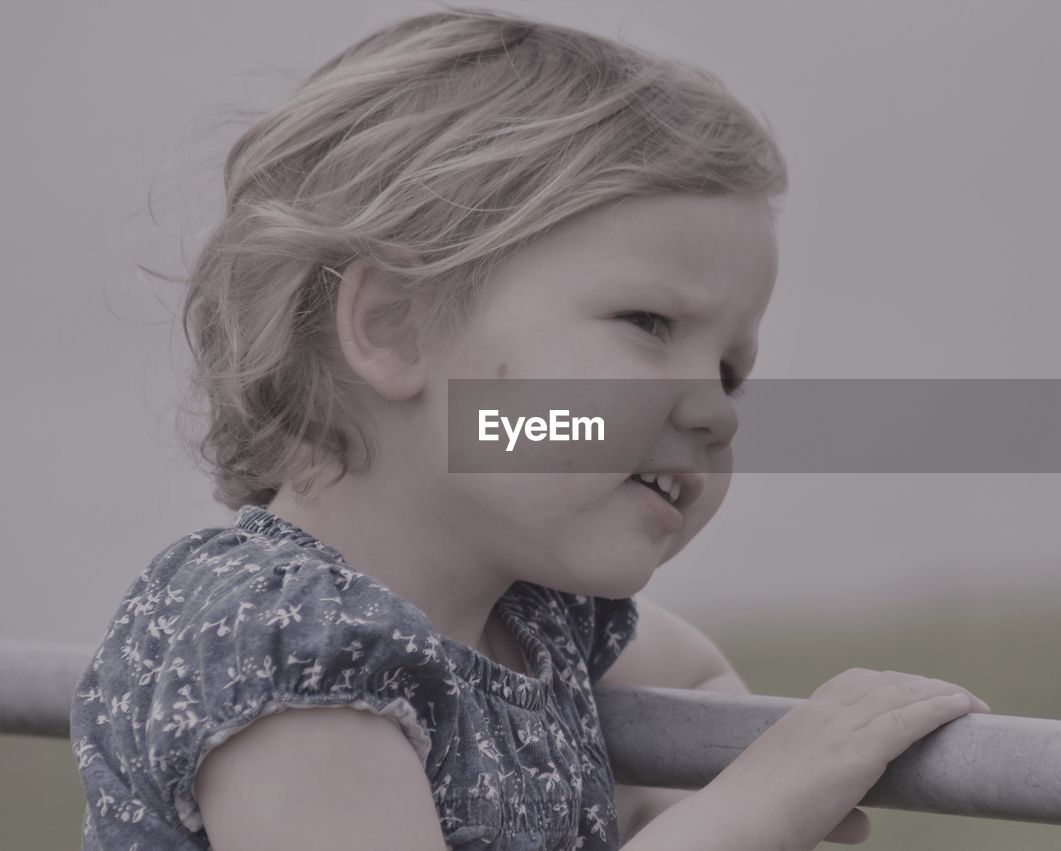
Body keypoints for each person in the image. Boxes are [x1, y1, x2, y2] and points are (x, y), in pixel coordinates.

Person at [69, 7, 990, 850]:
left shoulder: (534, 616)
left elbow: (702, 683)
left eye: (730, 370)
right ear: (395, 326)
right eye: (648, 324)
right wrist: (750, 812)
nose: (713, 409)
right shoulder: (285, 647)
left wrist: (665, 810)